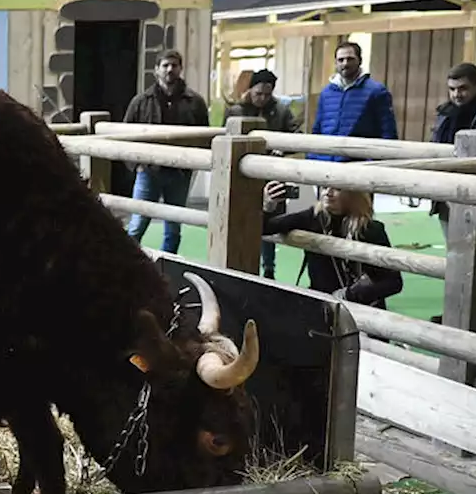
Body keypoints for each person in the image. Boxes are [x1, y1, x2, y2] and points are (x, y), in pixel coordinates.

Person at [262, 181, 403, 310]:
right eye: (324, 187)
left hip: (363, 309)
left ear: (353, 194)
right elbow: (264, 228)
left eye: (337, 189)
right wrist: (269, 206)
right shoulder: (313, 217)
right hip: (322, 307)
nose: (327, 193)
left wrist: (350, 295)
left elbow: (393, 282)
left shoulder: (370, 229)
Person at [123, 49, 210, 253]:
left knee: (173, 228)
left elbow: (206, 135)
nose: (170, 69)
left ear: (181, 69)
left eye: (174, 65)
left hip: (179, 173)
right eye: (165, 65)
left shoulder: (195, 103)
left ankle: (166, 271)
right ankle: (127, 268)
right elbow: (124, 134)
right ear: (156, 70)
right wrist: (137, 166)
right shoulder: (140, 102)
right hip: (149, 172)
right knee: (137, 224)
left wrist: (193, 165)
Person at [227, 68, 300, 280]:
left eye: (267, 94)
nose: (263, 98)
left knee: (270, 224)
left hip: (272, 175)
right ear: (250, 90)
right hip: (243, 178)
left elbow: (296, 136)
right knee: (241, 219)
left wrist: (282, 148)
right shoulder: (235, 111)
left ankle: (269, 270)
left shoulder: (282, 110)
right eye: (259, 93)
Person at [308, 41, 398, 162]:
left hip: (357, 165)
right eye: (341, 60)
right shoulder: (326, 93)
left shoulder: (376, 91)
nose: (345, 63)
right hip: (326, 163)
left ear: (359, 61)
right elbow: (317, 130)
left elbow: (388, 133)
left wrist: (373, 163)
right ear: (335, 63)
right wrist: (312, 158)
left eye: (350, 59)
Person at [429, 62, 476, 238]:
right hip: (445, 190)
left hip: (475, 189)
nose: (456, 94)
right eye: (452, 89)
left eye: (463, 88)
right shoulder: (444, 113)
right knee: (453, 247)